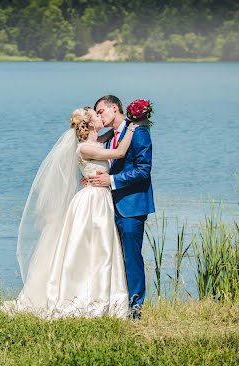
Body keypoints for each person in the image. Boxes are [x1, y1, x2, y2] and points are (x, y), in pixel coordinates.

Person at [0, 107, 137, 320]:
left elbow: (109, 134)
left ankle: (102, 293)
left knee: (101, 249)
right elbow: (119, 152)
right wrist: (134, 129)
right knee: (88, 248)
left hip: (100, 198)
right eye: (97, 115)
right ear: (91, 124)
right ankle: (80, 296)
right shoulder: (85, 149)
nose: (101, 117)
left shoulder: (95, 143)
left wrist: (122, 123)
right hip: (92, 201)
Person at [88, 95, 155, 319]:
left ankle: (136, 310)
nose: (98, 116)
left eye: (100, 111)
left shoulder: (138, 131)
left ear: (114, 108)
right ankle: (115, 306)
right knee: (112, 258)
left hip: (132, 206)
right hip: (108, 206)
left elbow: (143, 169)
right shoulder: (110, 137)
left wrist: (112, 181)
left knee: (131, 258)